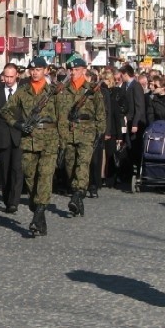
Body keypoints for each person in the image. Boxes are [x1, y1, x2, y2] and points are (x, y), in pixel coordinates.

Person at [0, 57, 62, 237]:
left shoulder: (54, 92)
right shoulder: (22, 91)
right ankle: (38, 212)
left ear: (45, 71)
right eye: (32, 70)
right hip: (28, 140)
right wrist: (17, 124)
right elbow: (5, 111)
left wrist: (63, 142)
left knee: (45, 176)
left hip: (49, 140)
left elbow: (62, 118)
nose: (34, 72)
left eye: (38, 69)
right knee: (30, 179)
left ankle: (37, 216)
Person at [56, 58, 106, 218]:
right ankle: (78, 195)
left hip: (87, 133)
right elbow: (61, 115)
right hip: (69, 133)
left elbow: (100, 113)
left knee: (82, 165)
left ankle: (78, 194)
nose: (73, 72)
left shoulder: (92, 90)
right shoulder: (64, 90)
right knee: (71, 167)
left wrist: (99, 132)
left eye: (76, 70)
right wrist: (61, 135)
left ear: (84, 70)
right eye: (71, 70)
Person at [0, 63, 23, 214]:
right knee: (4, 171)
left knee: (17, 170)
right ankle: (6, 198)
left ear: (17, 75)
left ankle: (14, 202)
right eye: (6, 76)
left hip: (19, 136)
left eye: (12, 76)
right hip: (2, 136)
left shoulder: (24, 91)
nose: (9, 80)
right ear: (3, 76)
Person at [120, 64, 147, 183]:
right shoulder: (125, 85)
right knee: (128, 146)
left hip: (135, 122)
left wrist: (135, 123)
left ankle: (137, 173)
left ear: (126, 74)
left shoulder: (136, 86)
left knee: (135, 147)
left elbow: (139, 107)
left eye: (122, 75)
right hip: (127, 120)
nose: (121, 77)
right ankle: (128, 172)